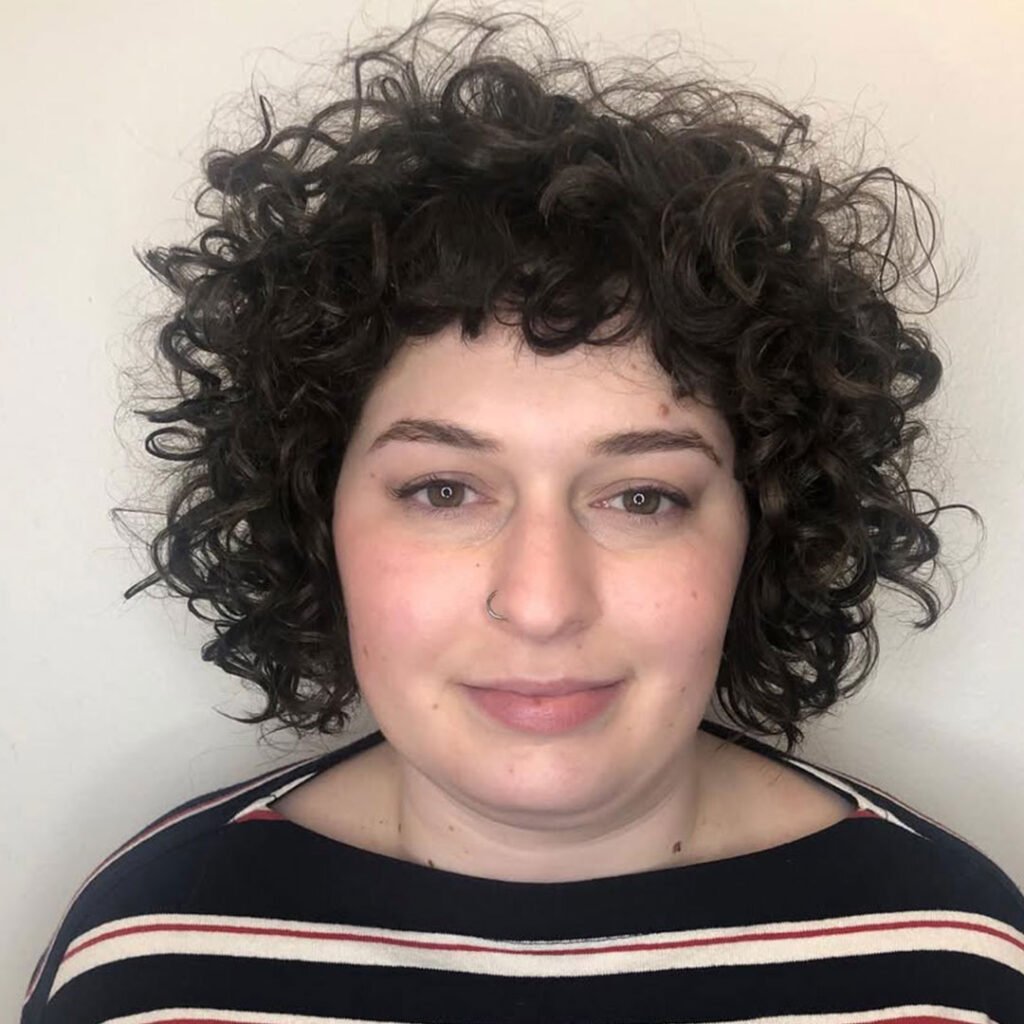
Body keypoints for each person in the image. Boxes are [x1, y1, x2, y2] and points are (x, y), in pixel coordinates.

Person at [21, 5, 1024, 1021]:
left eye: (642, 497)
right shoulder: (148, 965)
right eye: (443, 490)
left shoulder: (955, 973)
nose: (542, 603)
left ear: (763, 529)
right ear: (314, 516)